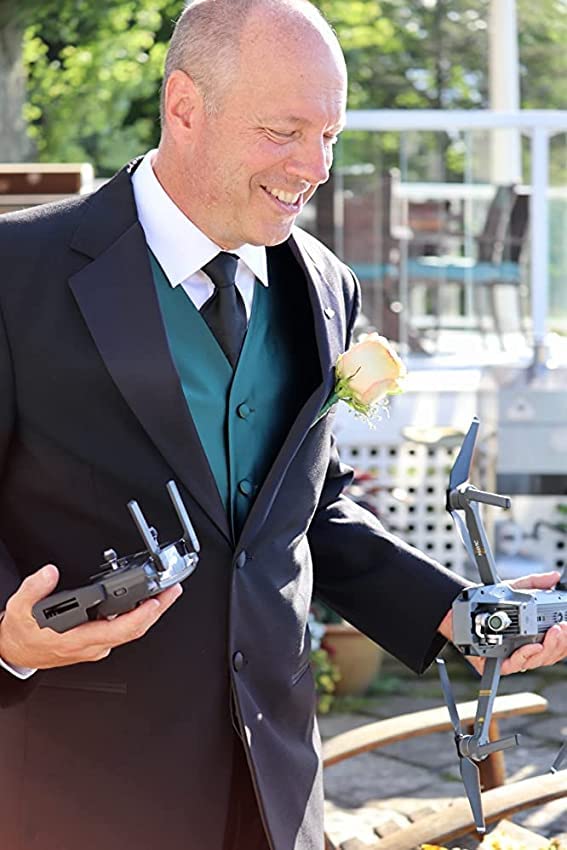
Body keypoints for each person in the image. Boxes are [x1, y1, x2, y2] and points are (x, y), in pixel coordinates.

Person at [0, 1, 565, 849]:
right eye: (283, 131)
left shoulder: (326, 286)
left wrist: (451, 610)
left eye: (329, 135)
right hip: (75, 791)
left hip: (276, 790)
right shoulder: (16, 272)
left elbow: (306, 510)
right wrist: (8, 634)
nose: (315, 166)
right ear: (184, 106)